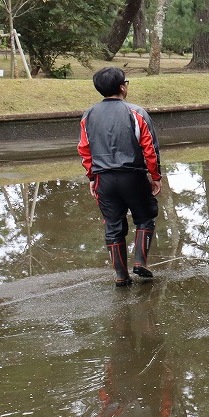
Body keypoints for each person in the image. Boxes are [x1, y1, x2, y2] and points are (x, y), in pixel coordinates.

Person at [77, 66, 163, 286]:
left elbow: (84, 149)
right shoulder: (136, 112)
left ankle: (120, 275)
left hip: (103, 178)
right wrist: (155, 176)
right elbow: (149, 148)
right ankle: (141, 262)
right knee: (145, 216)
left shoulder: (89, 115)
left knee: (113, 224)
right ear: (122, 87)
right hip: (132, 175)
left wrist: (92, 177)